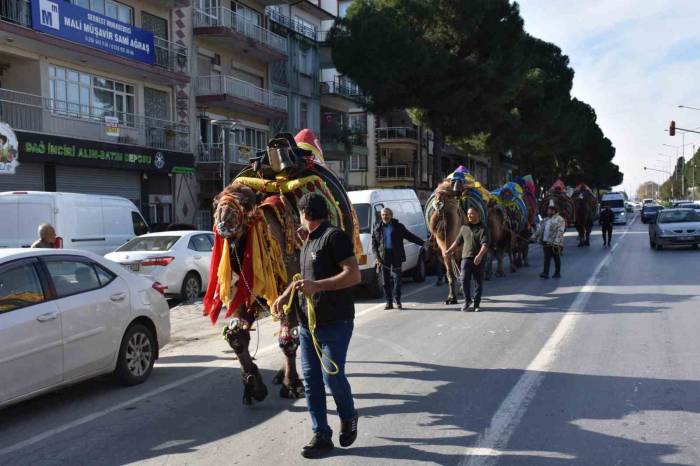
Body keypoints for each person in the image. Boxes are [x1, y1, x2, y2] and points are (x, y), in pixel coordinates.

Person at [272, 192, 361, 459]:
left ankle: (348, 415)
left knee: (332, 377)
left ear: (304, 214)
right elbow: (305, 278)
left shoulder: (334, 237)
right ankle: (321, 434)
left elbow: (353, 274)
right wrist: (287, 292)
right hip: (308, 325)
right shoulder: (308, 241)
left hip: (335, 321)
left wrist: (318, 287)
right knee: (311, 382)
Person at [371, 207, 425, 310]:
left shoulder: (398, 226)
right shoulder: (377, 227)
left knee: (397, 279)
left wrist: (423, 243)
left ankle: (398, 301)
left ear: (391, 215)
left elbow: (410, 236)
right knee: (385, 282)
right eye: (383, 215)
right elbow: (374, 245)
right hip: (383, 256)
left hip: (396, 255)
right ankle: (389, 302)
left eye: (386, 214)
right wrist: (377, 258)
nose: (384, 216)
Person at [445, 207, 489, 312]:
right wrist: (449, 251)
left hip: (478, 259)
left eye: (471, 214)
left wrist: (480, 255)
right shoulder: (464, 227)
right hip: (466, 258)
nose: (469, 216)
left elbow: (485, 244)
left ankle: (477, 304)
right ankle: (467, 301)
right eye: (468, 214)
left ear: (478, 214)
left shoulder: (483, 228)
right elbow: (457, 241)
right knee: (464, 280)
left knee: (478, 282)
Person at [532, 201, 565, 279]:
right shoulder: (546, 219)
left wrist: (556, 242)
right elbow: (540, 229)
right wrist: (533, 236)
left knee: (556, 258)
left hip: (555, 243)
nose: (548, 211)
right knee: (546, 258)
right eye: (548, 210)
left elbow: (560, 231)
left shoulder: (560, 219)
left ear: (554, 211)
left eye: (550, 210)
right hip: (546, 242)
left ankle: (557, 273)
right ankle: (545, 272)